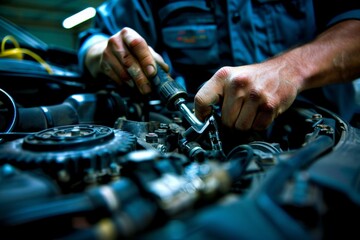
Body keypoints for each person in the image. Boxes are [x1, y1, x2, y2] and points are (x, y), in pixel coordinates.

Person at [78, 0, 360, 131]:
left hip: (327, 142)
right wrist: (103, 52)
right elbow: (96, 38)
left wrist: (290, 70)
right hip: (210, 145)